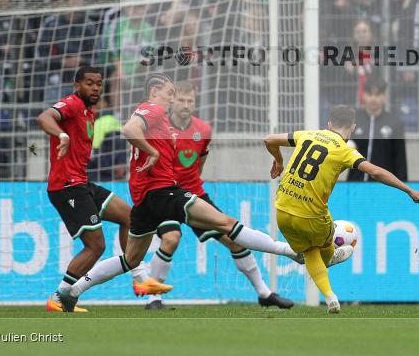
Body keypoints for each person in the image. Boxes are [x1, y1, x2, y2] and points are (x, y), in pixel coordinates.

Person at [58, 74, 302, 311]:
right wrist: (152, 153)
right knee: (227, 224)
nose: (173, 100)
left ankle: (73, 291)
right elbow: (129, 130)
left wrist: (152, 152)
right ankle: (290, 251)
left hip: (145, 200)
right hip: (163, 193)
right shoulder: (152, 109)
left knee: (130, 259)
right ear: (155, 93)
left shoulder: (162, 120)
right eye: (170, 94)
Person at [138, 81, 294, 310]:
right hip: (163, 195)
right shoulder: (159, 128)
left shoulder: (203, 130)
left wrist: (191, 188)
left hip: (193, 194)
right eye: (181, 100)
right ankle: (153, 298)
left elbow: (198, 165)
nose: (185, 104)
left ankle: (264, 293)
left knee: (233, 238)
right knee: (171, 239)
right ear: (172, 101)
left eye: (190, 100)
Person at [264, 104, 419, 313]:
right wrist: (408, 190)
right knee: (321, 246)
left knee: (309, 251)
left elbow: (268, 139)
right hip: (311, 216)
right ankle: (330, 256)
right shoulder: (344, 151)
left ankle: (331, 297)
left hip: (282, 211)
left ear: (329, 123)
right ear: (352, 127)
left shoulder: (306, 135)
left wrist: (278, 160)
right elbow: (376, 172)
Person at [36, 65, 140, 312]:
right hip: (66, 186)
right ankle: (60, 296)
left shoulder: (89, 113)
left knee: (129, 217)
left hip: (82, 183)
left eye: (99, 83)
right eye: (89, 83)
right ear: (77, 85)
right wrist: (62, 136)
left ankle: (139, 276)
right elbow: (44, 117)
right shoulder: (71, 104)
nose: (95, 88)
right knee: (96, 245)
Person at [346, 79, 408, 181]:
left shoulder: (395, 123)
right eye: (370, 94)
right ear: (363, 95)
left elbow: (400, 158)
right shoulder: (354, 119)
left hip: (383, 185)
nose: (373, 99)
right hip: (355, 183)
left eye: (377, 95)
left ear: (384, 96)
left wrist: (403, 184)